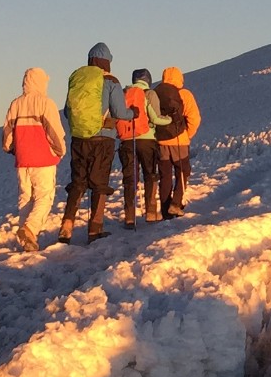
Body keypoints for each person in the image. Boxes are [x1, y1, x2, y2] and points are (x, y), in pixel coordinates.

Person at [62, 43, 129, 243]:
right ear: (107, 61)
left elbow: (67, 111)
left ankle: (66, 226)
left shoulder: (79, 80)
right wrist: (133, 113)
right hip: (103, 138)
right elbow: (119, 112)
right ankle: (94, 229)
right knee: (99, 183)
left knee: (78, 182)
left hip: (79, 138)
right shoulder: (110, 81)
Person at [3, 67, 66, 251]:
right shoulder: (46, 103)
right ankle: (30, 229)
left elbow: (7, 134)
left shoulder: (15, 104)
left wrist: (11, 149)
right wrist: (59, 151)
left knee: (26, 198)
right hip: (43, 158)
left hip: (22, 159)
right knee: (44, 197)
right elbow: (55, 131)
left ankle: (26, 241)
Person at [116, 68, 172, 227]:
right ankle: (151, 212)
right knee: (150, 175)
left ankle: (129, 216)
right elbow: (156, 118)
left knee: (130, 178)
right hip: (147, 140)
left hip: (127, 140)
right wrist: (169, 120)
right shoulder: (149, 94)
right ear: (147, 79)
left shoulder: (123, 94)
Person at [154, 65, 200, 218]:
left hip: (161, 142)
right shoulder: (184, 94)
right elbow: (194, 118)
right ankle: (175, 203)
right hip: (179, 140)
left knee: (165, 175)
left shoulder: (156, 94)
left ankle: (165, 209)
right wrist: (187, 135)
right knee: (182, 171)